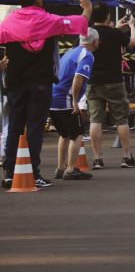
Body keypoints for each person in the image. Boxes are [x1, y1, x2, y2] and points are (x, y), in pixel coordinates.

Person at [0, 0, 91, 189]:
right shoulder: (49, 21)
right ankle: (33, 172)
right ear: (37, 0)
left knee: (14, 126)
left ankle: (9, 172)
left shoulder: (8, 22)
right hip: (40, 82)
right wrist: (87, 8)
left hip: (15, 82)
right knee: (34, 128)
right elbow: (79, 24)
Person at [86, 3, 135, 170]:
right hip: (114, 80)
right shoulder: (115, 33)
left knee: (95, 119)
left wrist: (116, 27)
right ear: (108, 16)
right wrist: (131, 26)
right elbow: (134, 42)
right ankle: (126, 156)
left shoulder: (87, 33)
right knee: (121, 119)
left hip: (92, 80)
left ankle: (97, 158)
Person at [50, 28, 100, 181]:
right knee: (77, 134)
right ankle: (71, 170)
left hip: (53, 97)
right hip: (66, 97)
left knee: (64, 134)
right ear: (95, 41)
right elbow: (78, 77)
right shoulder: (87, 55)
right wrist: (75, 100)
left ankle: (60, 168)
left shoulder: (71, 51)